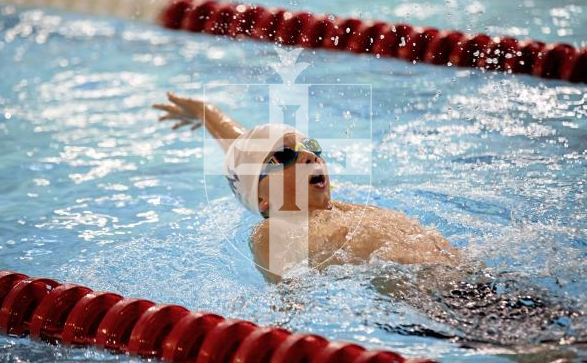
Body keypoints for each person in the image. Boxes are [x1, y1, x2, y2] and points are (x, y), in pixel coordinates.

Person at [154, 92, 461, 282]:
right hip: (429, 303)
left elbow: (246, 153)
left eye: (311, 146)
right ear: (263, 201)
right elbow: (290, 302)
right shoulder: (273, 231)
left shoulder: (341, 211)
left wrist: (205, 111)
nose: (308, 154)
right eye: (285, 156)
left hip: (472, 277)